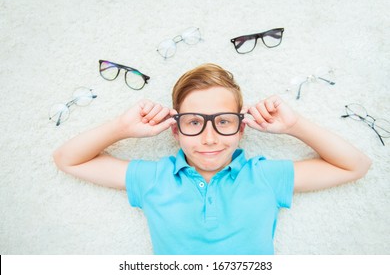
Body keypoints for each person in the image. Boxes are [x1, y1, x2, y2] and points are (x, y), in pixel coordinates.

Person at [53, 63, 371, 255]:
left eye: (223, 122)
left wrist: (294, 125)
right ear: (174, 129)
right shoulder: (153, 178)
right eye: (194, 122)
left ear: (241, 127)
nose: (209, 138)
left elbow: (356, 165)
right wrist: (121, 127)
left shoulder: (264, 176)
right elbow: (68, 159)